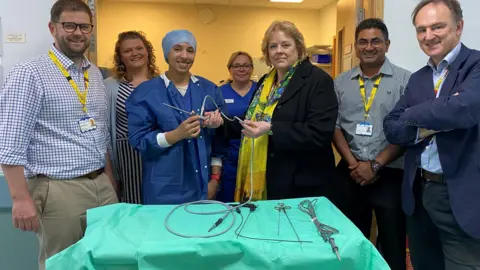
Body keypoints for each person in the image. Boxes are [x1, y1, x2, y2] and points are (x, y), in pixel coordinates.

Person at [0, 0, 118, 269]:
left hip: (100, 184)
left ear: (91, 30)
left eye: (84, 26)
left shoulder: (95, 75)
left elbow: (101, 134)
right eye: (69, 25)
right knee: (63, 264)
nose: (78, 32)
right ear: (53, 28)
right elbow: (9, 144)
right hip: (58, 190)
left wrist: (109, 178)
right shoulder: (30, 73)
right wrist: (20, 199)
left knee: (105, 259)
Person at [383, 0, 480, 269]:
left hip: (461, 195)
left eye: (437, 27)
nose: (428, 36)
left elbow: (463, 110)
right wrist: (436, 118)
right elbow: (391, 127)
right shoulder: (418, 78)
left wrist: (414, 114)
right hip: (419, 193)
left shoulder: (476, 65)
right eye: (421, 29)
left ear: (458, 27)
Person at [213, 21, 338, 201]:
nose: (279, 50)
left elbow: (320, 132)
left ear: (298, 47)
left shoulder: (318, 80)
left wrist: (271, 129)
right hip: (268, 179)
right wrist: (221, 122)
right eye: (273, 46)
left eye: (285, 45)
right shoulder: (266, 81)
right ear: (267, 53)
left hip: (301, 184)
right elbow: (251, 120)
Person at [332, 18, 410, 270]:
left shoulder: (405, 81)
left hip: (390, 171)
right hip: (350, 171)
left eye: (376, 41)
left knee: (392, 242)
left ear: (387, 44)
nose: (369, 47)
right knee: (349, 241)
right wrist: (355, 164)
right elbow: (334, 126)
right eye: (363, 41)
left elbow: (407, 130)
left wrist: (375, 165)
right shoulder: (340, 82)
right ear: (355, 46)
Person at [126, 30, 225, 205]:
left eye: (190, 50)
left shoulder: (209, 90)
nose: (184, 56)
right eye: (177, 49)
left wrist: (215, 179)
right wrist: (176, 135)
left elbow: (219, 143)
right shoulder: (146, 93)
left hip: (203, 187)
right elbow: (139, 141)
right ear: (167, 53)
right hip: (163, 191)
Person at [104, 31, 160, 204]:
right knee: (132, 206)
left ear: (148, 51)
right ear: (120, 57)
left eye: (139, 48)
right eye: (128, 51)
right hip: (127, 157)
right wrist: (110, 172)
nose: (135, 53)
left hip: (159, 152)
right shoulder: (110, 87)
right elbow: (104, 130)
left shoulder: (162, 83)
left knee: (159, 205)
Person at [216, 51, 257, 203]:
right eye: (237, 65)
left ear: (252, 68)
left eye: (246, 65)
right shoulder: (220, 92)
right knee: (230, 202)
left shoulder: (261, 91)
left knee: (255, 203)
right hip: (230, 158)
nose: (242, 69)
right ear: (230, 69)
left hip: (256, 155)